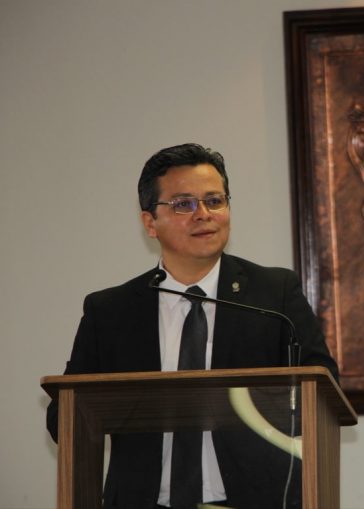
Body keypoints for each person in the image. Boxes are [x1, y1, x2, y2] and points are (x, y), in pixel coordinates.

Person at [46, 143, 338, 509]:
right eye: (184, 204)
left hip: (255, 499)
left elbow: (324, 392)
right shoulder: (110, 311)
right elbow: (64, 419)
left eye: (214, 200)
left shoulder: (274, 295)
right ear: (150, 222)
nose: (204, 214)